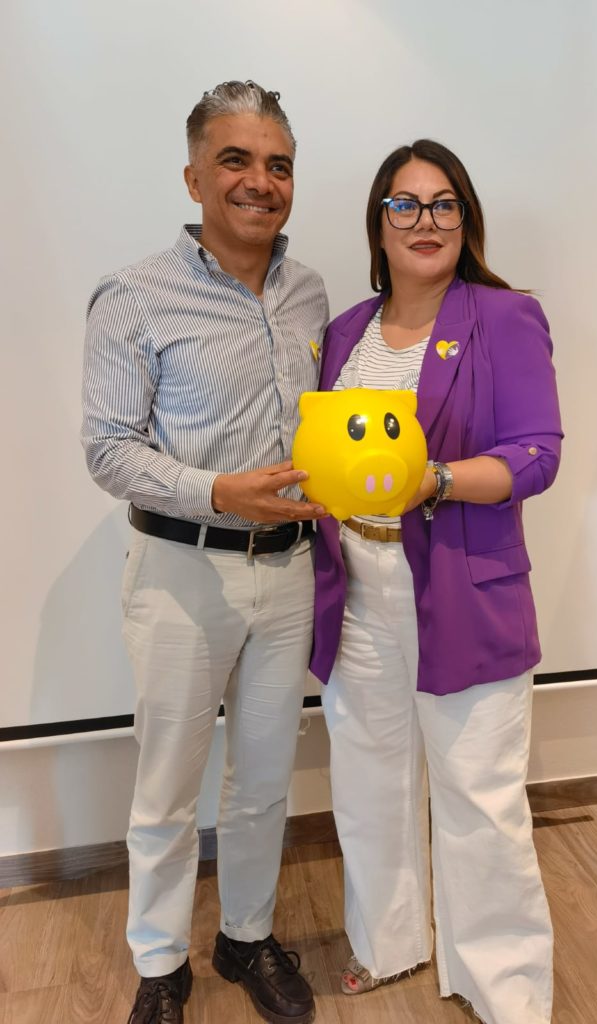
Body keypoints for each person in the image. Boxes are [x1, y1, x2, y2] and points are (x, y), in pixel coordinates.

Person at [81, 81, 328, 1024]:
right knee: (167, 788)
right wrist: (219, 492)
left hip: (290, 570)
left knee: (263, 780)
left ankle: (247, 936)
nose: (260, 181)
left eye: (278, 164)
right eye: (236, 160)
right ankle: (159, 964)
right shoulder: (134, 296)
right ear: (193, 177)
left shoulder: (310, 293)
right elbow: (109, 450)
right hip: (182, 573)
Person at [309, 140, 563, 1024]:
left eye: (444, 203)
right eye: (405, 204)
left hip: (462, 584)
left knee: (480, 796)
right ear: (378, 224)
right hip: (356, 585)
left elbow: (537, 456)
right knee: (368, 781)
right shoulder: (346, 331)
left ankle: (506, 988)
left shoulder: (504, 316)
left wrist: (441, 480)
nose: (426, 220)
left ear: (466, 220)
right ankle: (388, 944)